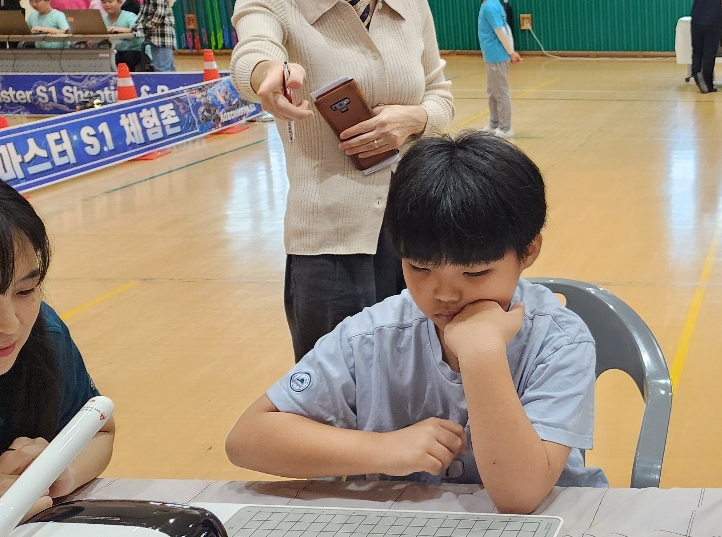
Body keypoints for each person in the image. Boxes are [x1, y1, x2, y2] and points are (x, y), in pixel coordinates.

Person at [225, 132, 605, 514]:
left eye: (474, 273)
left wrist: (482, 354)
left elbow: (519, 495)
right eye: (419, 267)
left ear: (528, 251)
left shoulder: (559, 342)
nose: (443, 295)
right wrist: (384, 449)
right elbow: (247, 439)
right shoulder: (373, 337)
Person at [231, 0, 454, 361]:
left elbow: (441, 94)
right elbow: (253, 44)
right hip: (328, 242)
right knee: (334, 391)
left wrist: (415, 119)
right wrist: (266, 73)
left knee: (422, 375)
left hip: (417, 231)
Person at [0, 160, 115, 537]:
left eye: (26, 289)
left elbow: (99, 430)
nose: (9, 325)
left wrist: (55, 472)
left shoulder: (41, 338)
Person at [470, 0, 521, 138]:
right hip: (491, 57)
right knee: (492, 92)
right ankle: (494, 124)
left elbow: (501, 30)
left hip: (497, 57)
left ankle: (505, 128)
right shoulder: (490, 3)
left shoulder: (491, 6)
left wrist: (511, 52)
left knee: (500, 92)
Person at [129, 0, 178, 72]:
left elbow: (159, 14)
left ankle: (168, 89)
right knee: (166, 67)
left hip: (160, 37)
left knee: (162, 69)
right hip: (158, 37)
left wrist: (146, 26)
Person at [98, 0, 146, 71]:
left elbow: (139, 29)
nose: (107, 5)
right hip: (114, 51)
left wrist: (118, 29)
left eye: (110, 1)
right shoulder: (101, 18)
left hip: (135, 50)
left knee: (125, 58)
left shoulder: (129, 16)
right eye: (104, 2)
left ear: (120, 2)